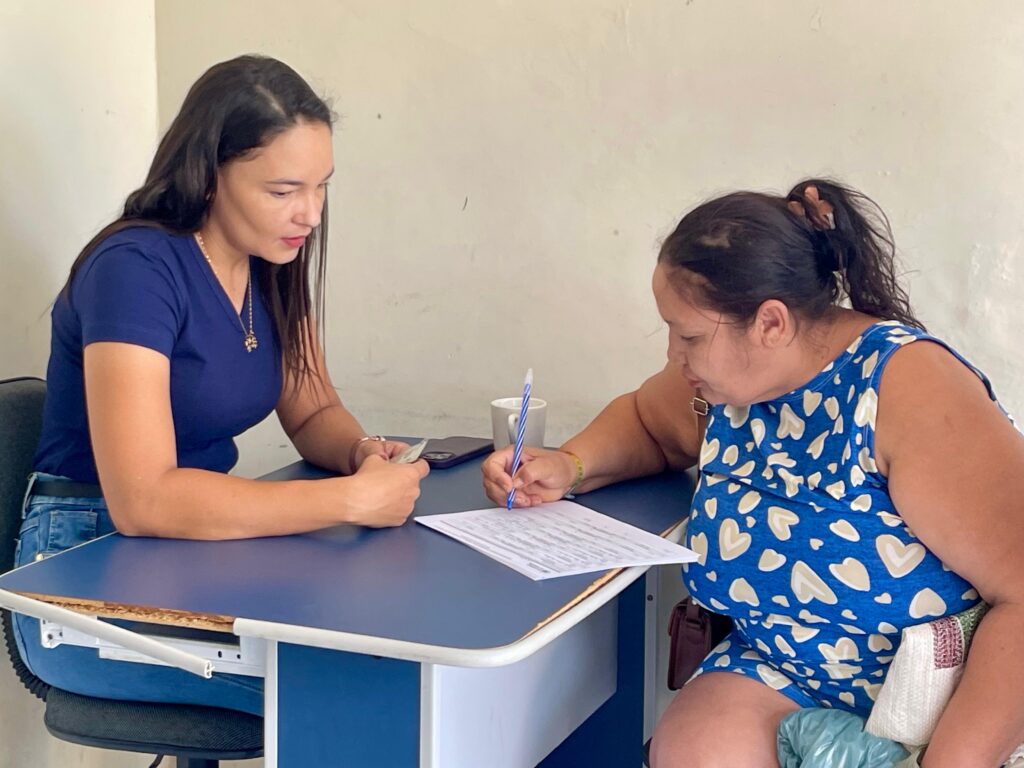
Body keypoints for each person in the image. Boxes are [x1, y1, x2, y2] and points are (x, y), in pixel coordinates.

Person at [483, 180, 1024, 767]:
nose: (673, 355)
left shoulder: (909, 388)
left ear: (770, 323)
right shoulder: (723, 390)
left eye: (689, 335)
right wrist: (570, 464)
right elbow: (647, 422)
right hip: (779, 667)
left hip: (928, 710)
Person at [14, 55, 428, 715]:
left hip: (197, 551)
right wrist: (349, 502)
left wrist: (357, 453)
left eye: (322, 186)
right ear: (208, 175)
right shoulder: (134, 269)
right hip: (82, 571)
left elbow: (313, 404)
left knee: (398, 656)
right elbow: (144, 502)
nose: (310, 213)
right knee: (358, 692)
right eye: (284, 189)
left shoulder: (270, 255)